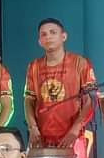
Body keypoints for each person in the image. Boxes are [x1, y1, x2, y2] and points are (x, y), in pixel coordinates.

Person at [24, 18, 97, 150]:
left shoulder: (80, 63)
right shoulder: (34, 66)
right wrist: (32, 127)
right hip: (41, 138)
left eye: (53, 32)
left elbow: (90, 100)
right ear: (39, 41)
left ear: (64, 36)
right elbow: (29, 100)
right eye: (43, 34)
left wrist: (75, 129)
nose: (48, 37)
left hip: (72, 137)